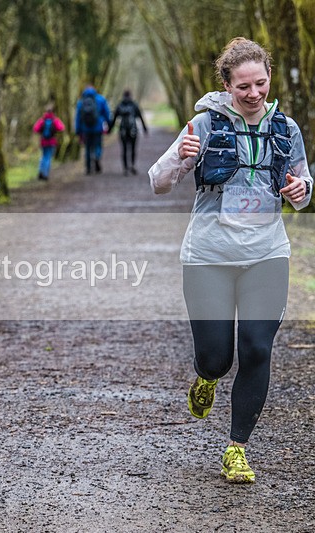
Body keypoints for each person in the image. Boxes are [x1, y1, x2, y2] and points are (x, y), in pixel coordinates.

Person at [148, 37, 312, 484]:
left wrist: (301, 191)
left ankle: (237, 448)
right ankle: (206, 377)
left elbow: (302, 185)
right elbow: (158, 183)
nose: (254, 93)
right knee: (218, 358)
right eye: (244, 86)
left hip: (267, 254)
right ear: (226, 84)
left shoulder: (288, 129)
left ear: (269, 80)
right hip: (208, 256)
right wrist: (180, 158)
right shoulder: (204, 124)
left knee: (257, 347)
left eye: (261, 83)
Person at [109, 90, 148, 175]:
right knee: (133, 149)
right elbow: (140, 117)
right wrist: (145, 129)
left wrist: (109, 130)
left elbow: (114, 119)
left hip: (123, 130)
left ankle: (125, 168)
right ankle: (133, 165)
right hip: (133, 130)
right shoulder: (134, 105)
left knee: (124, 149)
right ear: (130, 95)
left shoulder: (120, 105)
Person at [75, 85, 111, 174]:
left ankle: (88, 168)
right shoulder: (100, 99)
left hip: (85, 129)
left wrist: (78, 130)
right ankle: (97, 156)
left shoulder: (81, 102)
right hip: (97, 128)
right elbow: (107, 113)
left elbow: (78, 118)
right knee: (98, 145)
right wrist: (109, 124)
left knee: (87, 148)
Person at [32, 103, 66, 181]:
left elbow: (35, 129)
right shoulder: (55, 120)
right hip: (52, 141)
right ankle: (45, 174)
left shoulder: (42, 120)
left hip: (43, 141)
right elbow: (62, 128)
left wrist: (41, 131)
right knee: (48, 157)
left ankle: (41, 172)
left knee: (43, 156)